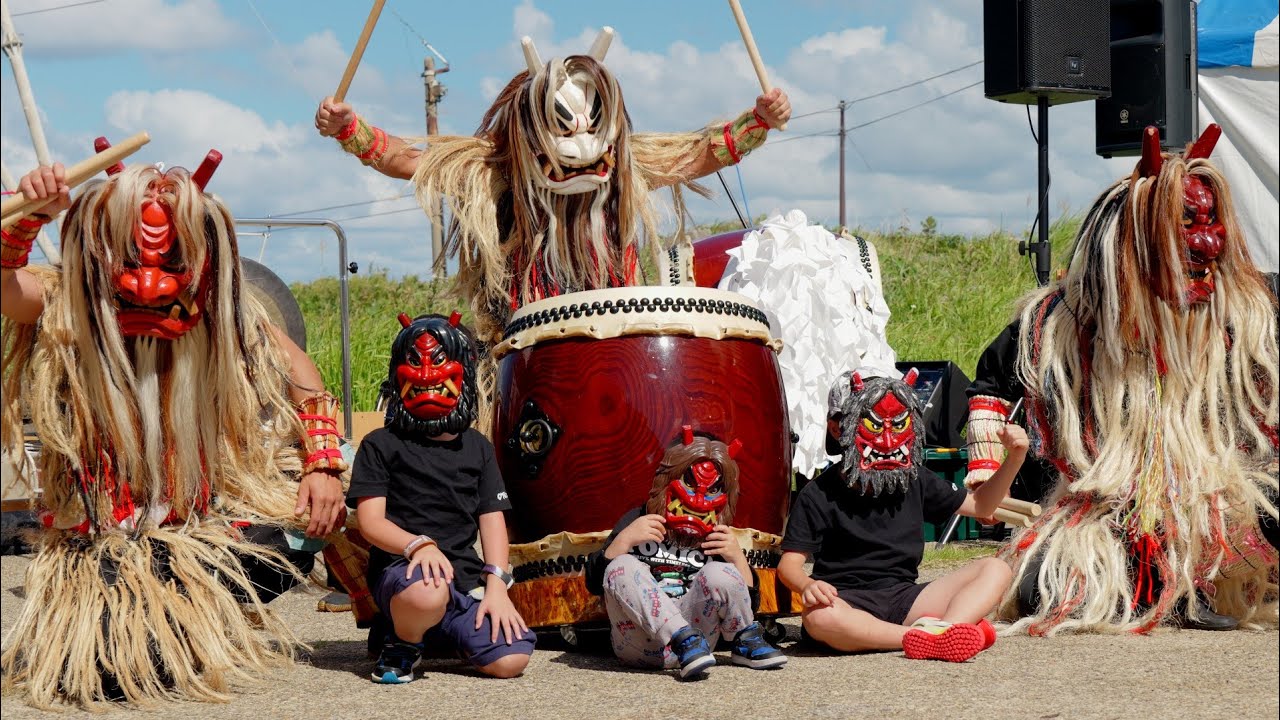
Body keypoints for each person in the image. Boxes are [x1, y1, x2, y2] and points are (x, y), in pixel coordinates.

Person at [0, 158, 346, 708]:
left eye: (171, 265)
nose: (148, 284)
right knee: (111, 670)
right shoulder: (66, 301)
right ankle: (156, 626)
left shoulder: (221, 309)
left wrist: (322, 463)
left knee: (311, 523)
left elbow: (301, 375)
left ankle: (196, 614)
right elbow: (4, 286)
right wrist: (27, 218)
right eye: (129, 262)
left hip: (195, 533)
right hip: (103, 543)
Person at [964, 126, 1279, 635]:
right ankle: (1157, 586)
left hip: (1217, 500)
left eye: (1210, 223)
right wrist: (985, 463)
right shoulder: (1058, 323)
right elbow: (991, 383)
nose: (1206, 242)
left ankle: (1192, 580)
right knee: (1046, 587)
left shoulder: (1245, 315)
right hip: (1106, 510)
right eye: (1185, 224)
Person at [313, 27, 792, 345]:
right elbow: (410, 161)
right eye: (562, 128)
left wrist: (760, 121)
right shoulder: (494, 168)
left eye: (592, 125)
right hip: (522, 345)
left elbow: (697, 154)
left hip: (617, 339)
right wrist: (349, 128)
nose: (580, 145)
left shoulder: (624, 162)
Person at [778, 369, 1026, 662]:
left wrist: (1015, 457)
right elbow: (788, 566)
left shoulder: (916, 479)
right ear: (836, 428)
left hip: (908, 600)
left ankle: (942, 630)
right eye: (872, 425)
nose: (887, 440)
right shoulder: (818, 493)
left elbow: (982, 507)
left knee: (996, 568)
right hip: (845, 601)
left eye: (899, 425)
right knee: (820, 619)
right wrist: (807, 586)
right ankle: (931, 636)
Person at [346, 311, 534, 684]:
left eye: (440, 361)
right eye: (415, 362)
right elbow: (370, 521)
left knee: (511, 659)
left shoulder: (478, 448)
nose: (428, 374)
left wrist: (496, 585)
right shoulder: (379, 444)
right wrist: (417, 545)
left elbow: (492, 519)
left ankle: (435, 633)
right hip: (405, 573)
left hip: (462, 579)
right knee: (428, 591)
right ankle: (403, 640)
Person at [583, 426, 787, 679]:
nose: (699, 500)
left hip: (698, 646)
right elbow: (595, 583)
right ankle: (680, 636)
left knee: (721, 571)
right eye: (688, 482)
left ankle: (744, 645)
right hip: (639, 642)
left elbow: (749, 604)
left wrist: (737, 558)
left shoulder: (715, 536)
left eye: (713, 490)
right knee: (620, 567)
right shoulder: (638, 520)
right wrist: (623, 541)